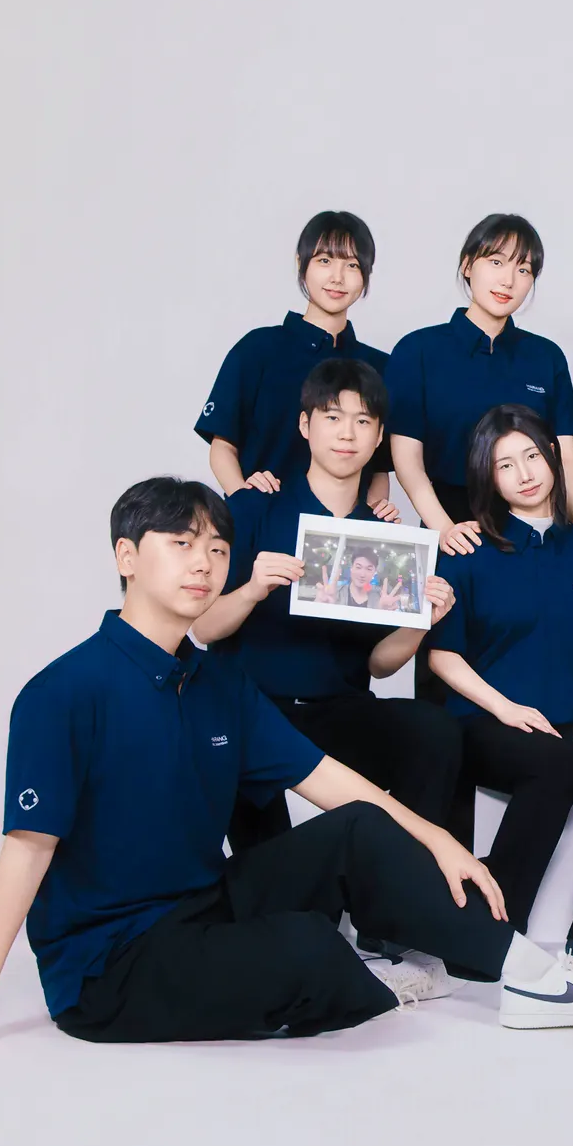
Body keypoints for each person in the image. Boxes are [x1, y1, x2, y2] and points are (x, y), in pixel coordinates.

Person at [0, 478, 573, 1060]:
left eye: (217, 547)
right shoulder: (62, 692)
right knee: (309, 947)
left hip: (203, 905)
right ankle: (374, 981)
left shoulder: (219, 683)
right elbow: (24, 854)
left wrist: (440, 841)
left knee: (359, 828)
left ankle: (527, 976)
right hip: (111, 965)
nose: (205, 562)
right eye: (181, 544)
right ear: (126, 557)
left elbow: (332, 781)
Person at [190, 359, 463, 865]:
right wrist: (252, 590)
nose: (347, 434)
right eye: (332, 417)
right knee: (272, 873)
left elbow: (379, 664)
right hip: (251, 708)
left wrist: (421, 621)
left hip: (336, 709)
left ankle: (395, 882)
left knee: (434, 732)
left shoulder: (384, 537)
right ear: (305, 425)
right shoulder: (255, 507)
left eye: (362, 421)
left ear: (379, 437)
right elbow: (203, 628)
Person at [425, 406, 573, 985]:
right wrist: (505, 709)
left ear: (554, 457)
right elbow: (441, 655)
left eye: (532, 455)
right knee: (555, 762)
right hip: (489, 721)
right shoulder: (469, 552)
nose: (524, 473)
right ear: (488, 476)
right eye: (505, 464)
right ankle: (492, 928)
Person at [385, 213, 573, 542]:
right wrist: (444, 530)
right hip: (454, 530)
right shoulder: (418, 350)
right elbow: (407, 459)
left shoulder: (545, 356)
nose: (508, 280)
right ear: (468, 265)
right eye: (496, 262)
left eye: (523, 269)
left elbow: (566, 456)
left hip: (536, 534)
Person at [193, 211, 395, 510]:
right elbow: (223, 446)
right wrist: (246, 504)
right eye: (324, 260)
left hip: (339, 532)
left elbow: (379, 468)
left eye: (352, 265)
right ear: (301, 264)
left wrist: (368, 521)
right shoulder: (258, 349)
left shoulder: (379, 367)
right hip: (262, 520)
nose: (337, 277)